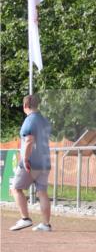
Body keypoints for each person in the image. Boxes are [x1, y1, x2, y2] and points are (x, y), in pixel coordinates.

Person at [9, 94, 53, 232]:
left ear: (25, 106)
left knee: (16, 188)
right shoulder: (44, 121)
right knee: (42, 192)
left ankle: (25, 218)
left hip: (31, 162)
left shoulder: (29, 120)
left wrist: (25, 159)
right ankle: (46, 224)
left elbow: (29, 140)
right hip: (45, 161)